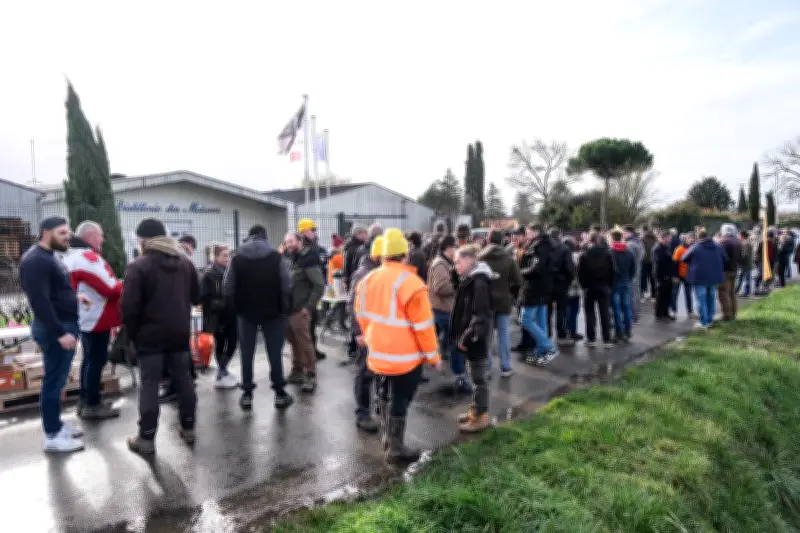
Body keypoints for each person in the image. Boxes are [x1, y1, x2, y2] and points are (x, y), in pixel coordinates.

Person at [354, 228, 441, 464]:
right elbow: (424, 327)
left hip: (378, 355)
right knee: (400, 400)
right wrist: (433, 357)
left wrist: (370, 337)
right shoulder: (412, 284)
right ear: (405, 254)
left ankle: (388, 440)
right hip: (406, 359)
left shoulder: (367, 280)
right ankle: (395, 448)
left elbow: (361, 316)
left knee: (383, 396)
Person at [122, 218, 200, 455]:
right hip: (179, 333)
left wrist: (133, 335)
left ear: (143, 239)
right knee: (184, 379)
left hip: (149, 335)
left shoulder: (139, 266)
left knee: (149, 385)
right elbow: (197, 297)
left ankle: (146, 438)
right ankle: (188, 427)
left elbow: (129, 307)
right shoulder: (185, 263)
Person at [20, 216, 84, 453]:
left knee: (57, 380)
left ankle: (56, 424)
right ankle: (53, 435)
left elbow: (54, 292)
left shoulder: (48, 256)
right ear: (46, 232)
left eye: (68, 233)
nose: (68, 237)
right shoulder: (36, 261)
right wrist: (59, 333)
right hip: (55, 329)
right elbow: (40, 301)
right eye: (62, 233)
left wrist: (75, 298)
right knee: (53, 382)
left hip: (61, 325)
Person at [223, 224, 294, 410]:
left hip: (246, 314)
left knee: (246, 353)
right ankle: (279, 393)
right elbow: (286, 285)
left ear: (249, 236)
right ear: (265, 236)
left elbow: (228, 287)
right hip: (274, 312)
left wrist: (235, 309)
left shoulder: (236, 258)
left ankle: (247, 394)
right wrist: (285, 309)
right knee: (275, 353)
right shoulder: (276, 257)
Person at [63, 221, 123, 419]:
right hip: (97, 316)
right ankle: (92, 404)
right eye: (101, 235)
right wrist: (124, 284)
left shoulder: (71, 256)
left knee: (89, 360)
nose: (103, 239)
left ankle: (85, 400)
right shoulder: (88, 258)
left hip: (84, 316)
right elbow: (111, 289)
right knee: (96, 360)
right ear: (90, 237)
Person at [451, 245, 493, 433]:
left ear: (469, 261)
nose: (456, 266)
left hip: (476, 339)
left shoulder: (479, 282)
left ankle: (481, 416)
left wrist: (467, 337)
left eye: (458, 262)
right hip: (471, 336)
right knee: (474, 376)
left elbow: (480, 316)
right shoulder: (470, 279)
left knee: (478, 379)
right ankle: (476, 410)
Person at [348, 236, 384, 432]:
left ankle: (378, 402)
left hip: (378, 331)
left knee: (378, 370)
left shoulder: (378, 271)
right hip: (366, 332)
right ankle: (362, 413)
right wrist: (358, 332)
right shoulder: (363, 274)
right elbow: (352, 305)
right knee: (364, 372)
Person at [283, 231, 326, 393]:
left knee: (304, 342)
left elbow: (319, 285)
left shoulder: (308, 259)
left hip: (300, 310)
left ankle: (310, 374)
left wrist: (308, 307)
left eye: (291, 241)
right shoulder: (291, 259)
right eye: (286, 242)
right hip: (289, 309)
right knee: (293, 341)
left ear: (300, 241)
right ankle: (297, 370)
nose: (288, 245)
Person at [478, 230, 522, 377]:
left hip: (485, 302)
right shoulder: (509, 259)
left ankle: (487, 368)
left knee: (486, 336)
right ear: (502, 240)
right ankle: (506, 367)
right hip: (503, 300)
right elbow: (518, 281)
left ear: (488, 240)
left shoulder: (480, 258)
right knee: (503, 334)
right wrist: (510, 292)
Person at [428, 236, 469, 393]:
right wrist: (460, 283)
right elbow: (440, 287)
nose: (457, 249)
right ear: (449, 248)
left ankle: (442, 357)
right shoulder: (440, 264)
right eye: (455, 247)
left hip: (445, 308)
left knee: (449, 337)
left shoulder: (445, 262)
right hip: (444, 309)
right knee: (456, 341)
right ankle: (460, 377)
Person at [519, 224, 559, 364]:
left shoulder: (539, 246)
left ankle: (549, 347)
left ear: (536, 232)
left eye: (528, 231)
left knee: (525, 319)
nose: (526, 234)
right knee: (541, 321)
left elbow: (536, 268)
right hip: (544, 287)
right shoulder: (546, 244)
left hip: (534, 287)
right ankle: (542, 350)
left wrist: (520, 272)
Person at [200, 243, 238, 389]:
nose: (227, 258)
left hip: (232, 314)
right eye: (224, 255)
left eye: (229, 255)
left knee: (233, 342)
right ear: (216, 256)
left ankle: (223, 369)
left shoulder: (231, 270)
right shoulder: (209, 274)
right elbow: (204, 298)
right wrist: (222, 303)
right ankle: (221, 372)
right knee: (221, 343)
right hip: (217, 317)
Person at [682, 229, 726, 329]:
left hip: (699, 277)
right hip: (714, 277)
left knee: (701, 300)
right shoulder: (718, 246)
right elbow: (725, 258)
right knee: (711, 299)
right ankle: (710, 319)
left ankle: (704, 322)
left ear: (699, 237)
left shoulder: (695, 247)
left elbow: (684, 258)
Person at [578, 231, 615, 348]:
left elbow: (580, 273)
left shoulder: (584, 255)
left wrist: (584, 286)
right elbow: (613, 271)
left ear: (589, 240)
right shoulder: (607, 254)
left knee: (589, 314)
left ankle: (591, 338)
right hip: (604, 286)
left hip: (589, 287)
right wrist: (610, 285)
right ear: (598, 239)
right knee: (605, 313)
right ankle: (607, 339)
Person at [547, 228, 575, 346]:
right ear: (559, 235)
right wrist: (568, 281)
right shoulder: (565, 249)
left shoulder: (545, 248)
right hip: (562, 283)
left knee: (547, 311)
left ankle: (547, 333)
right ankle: (561, 334)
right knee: (562, 310)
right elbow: (569, 268)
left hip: (548, 283)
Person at [609, 229, 635, 342]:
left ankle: (619, 332)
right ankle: (628, 331)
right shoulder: (628, 251)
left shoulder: (611, 252)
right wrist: (629, 278)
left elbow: (609, 269)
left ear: (612, 238)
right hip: (626, 281)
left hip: (615, 283)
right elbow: (633, 268)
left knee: (616, 309)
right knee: (626, 307)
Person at [718, 223, 742, 320]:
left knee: (723, 293)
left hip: (725, 271)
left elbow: (721, 257)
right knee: (732, 292)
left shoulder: (723, 242)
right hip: (734, 269)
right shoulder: (738, 242)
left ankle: (727, 315)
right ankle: (733, 313)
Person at [652, 232, 676, 321]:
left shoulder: (667, 248)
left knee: (668, 295)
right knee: (661, 295)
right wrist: (660, 277)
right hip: (661, 276)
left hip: (668, 275)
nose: (670, 240)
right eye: (668, 238)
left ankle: (665, 313)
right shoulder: (658, 249)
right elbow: (659, 263)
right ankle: (659, 314)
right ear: (663, 238)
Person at [623, 225, 644, 324]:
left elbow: (628, 260)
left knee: (631, 294)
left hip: (632, 272)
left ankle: (633, 316)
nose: (623, 234)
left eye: (624, 232)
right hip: (637, 270)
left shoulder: (630, 244)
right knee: (636, 293)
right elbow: (642, 256)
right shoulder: (639, 242)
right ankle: (636, 312)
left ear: (629, 232)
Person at [563, 238, 583, 341]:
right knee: (574, 310)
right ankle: (572, 331)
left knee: (566, 310)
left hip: (564, 287)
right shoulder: (576, 257)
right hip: (575, 287)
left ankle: (565, 330)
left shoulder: (561, 256)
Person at [671, 234, 694, 316]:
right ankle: (673, 310)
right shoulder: (679, 249)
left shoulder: (693, 249)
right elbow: (675, 263)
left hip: (688, 275)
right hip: (679, 274)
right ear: (685, 239)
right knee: (674, 293)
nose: (691, 240)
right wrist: (675, 276)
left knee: (688, 294)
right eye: (690, 238)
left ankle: (690, 310)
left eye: (693, 239)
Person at [342, 226, 368, 291]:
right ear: (358, 234)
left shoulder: (361, 245)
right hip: (353, 276)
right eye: (365, 233)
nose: (366, 235)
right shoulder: (351, 247)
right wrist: (346, 279)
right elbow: (346, 264)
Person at [641, 225, 657, 299]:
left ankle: (644, 293)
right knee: (652, 278)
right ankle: (654, 295)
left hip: (644, 261)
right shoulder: (655, 238)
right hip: (653, 261)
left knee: (643, 278)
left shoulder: (642, 239)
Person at [737, 230, 753, 297]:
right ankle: (737, 290)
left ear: (742, 236)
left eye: (739, 235)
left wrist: (739, 259)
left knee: (746, 278)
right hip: (746, 263)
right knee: (743, 278)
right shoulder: (746, 242)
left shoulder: (746, 243)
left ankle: (746, 292)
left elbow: (745, 255)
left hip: (745, 264)